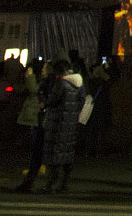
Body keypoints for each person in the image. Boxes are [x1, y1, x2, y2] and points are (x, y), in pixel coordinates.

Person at [42, 54, 85, 193]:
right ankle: (63, 184)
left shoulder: (61, 83)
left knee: (55, 155)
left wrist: (43, 101)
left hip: (57, 123)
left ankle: (52, 185)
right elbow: (81, 101)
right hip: (71, 124)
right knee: (67, 154)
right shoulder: (78, 83)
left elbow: (52, 101)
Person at [14, 58, 47, 192]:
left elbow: (34, 89)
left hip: (40, 117)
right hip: (37, 117)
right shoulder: (39, 79)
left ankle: (32, 179)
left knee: (37, 148)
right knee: (36, 148)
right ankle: (31, 178)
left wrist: (31, 77)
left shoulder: (42, 81)